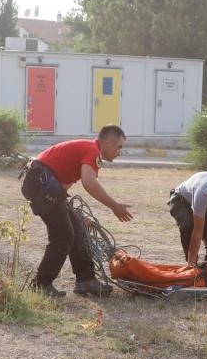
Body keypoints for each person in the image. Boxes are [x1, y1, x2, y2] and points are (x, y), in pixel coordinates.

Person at [20, 124, 133, 297]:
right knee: (63, 236)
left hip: (43, 183)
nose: (119, 153)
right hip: (41, 183)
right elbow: (89, 182)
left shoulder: (88, 148)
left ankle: (85, 280)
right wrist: (114, 206)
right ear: (109, 142)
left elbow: (64, 182)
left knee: (76, 227)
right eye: (119, 147)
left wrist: (70, 212)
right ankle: (40, 285)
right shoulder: (93, 150)